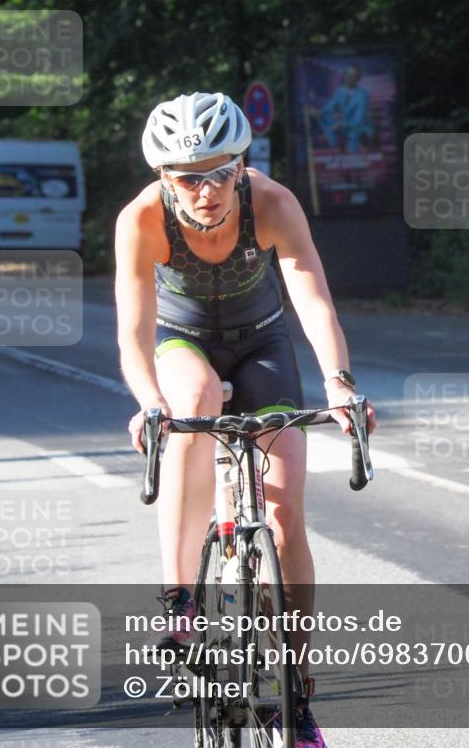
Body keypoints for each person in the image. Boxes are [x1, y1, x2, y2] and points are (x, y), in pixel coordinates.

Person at [115, 91, 376, 748]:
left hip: (263, 342)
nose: (205, 191)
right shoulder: (142, 219)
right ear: (164, 179)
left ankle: (295, 689)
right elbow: (134, 333)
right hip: (184, 342)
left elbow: (314, 302)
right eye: (188, 177)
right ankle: (179, 603)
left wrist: (340, 388)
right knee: (194, 400)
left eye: (220, 171)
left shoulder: (274, 203)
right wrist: (150, 403)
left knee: (287, 517)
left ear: (241, 164)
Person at [317, 65, 373, 154]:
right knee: (323, 117)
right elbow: (331, 104)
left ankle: (354, 150)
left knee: (355, 136)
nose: (348, 78)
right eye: (347, 74)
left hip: (359, 125)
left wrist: (342, 125)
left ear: (358, 78)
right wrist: (320, 112)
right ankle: (334, 142)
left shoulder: (363, 95)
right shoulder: (340, 90)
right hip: (344, 121)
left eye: (352, 76)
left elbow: (358, 119)